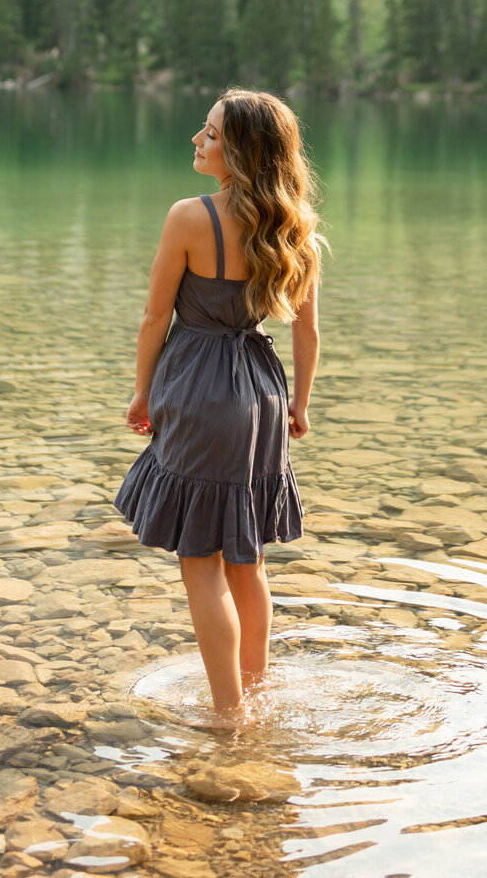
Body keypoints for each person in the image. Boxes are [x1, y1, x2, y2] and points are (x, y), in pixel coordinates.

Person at [113, 87, 324, 715]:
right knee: (247, 557)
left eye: (209, 133)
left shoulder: (189, 217)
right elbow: (307, 332)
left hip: (199, 389)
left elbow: (155, 317)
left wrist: (142, 392)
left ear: (239, 150)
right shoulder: (296, 228)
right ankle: (256, 695)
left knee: (199, 563)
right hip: (262, 395)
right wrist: (300, 407)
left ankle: (229, 717)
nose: (198, 140)